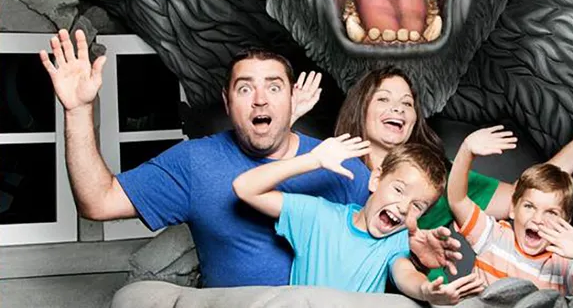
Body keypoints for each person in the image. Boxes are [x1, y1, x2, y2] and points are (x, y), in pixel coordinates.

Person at [38, 29, 459, 288]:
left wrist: (411, 243)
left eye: (274, 87)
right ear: (227, 100)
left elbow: (379, 230)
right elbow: (98, 202)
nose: (260, 98)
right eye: (245, 88)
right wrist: (77, 112)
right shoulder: (193, 162)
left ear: (292, 97)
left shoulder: (340, 165)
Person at [325, 67, 573, 281]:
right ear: (360, 108)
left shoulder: (441, 176)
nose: (398, 109)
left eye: (407, 104)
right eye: (384, 99)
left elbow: (523, 197)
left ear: (415, 119)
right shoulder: (330, 165)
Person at [233, 140, 484, 304]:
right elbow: (244, 188)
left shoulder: (395, 240)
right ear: (376, 180)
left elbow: (405, 274)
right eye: (398, 190)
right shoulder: (318, 216)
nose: (404, 207)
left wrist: (427, 291)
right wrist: (314, 160)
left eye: (418, 206)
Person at [448, 128, 573, 294]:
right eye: (529, 206)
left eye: (551, 213)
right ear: (513, 209)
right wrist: (467, 150)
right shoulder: (494, 236)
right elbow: (458, 200)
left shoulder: (562, 265)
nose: (538, 219)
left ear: (565, 222)